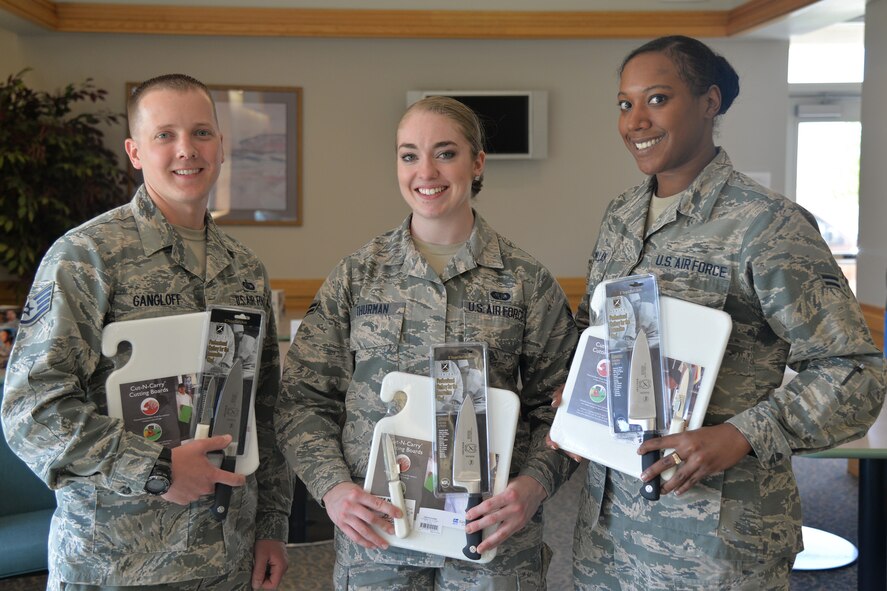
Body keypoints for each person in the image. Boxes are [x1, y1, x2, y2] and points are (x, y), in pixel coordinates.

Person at [557, 36, 886, 590]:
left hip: (717, 545)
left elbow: (855, 375)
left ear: (709, 102)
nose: (636, 120)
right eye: (624, 103)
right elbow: (605, 339)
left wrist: (741, 433)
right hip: (609, 533)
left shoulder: (768, 225)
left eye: (657, 99)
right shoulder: (620, 217)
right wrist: (579, 389)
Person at [1, 74, 292, 590]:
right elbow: (31, 410)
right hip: (117, 565)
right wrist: (156, 467)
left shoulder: (245, 269)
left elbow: (264, 410)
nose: (187, 150)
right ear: (135, 152)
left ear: (221, 147)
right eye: (165, 135)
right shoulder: (86, 256)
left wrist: (271, 526)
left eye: (202, 133)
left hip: (226, 558)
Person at [276, 96, 578, 589]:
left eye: (446, 152)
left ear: (477, 162)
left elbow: (566, 407)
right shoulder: (357, 276)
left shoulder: (526, 282)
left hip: (490, 536)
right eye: (409, 154)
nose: (426, 171)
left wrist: (535, 485)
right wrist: (331, 489)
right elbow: (302, 401)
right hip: (379, 534)